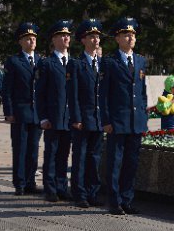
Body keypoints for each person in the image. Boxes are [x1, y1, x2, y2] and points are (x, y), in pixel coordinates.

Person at [100, 17, 148, 215]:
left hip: (135, 123)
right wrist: (106, 120)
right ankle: (114, 201)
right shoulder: (109, 62)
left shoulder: (140, 60)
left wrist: (144, 118)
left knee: (131, 163)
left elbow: (142, 93)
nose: (131, 38)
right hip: (117, 122)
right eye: (126, 34)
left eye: (133, 34)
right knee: (115, 163)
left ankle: (127, 200)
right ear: (117, 38)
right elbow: (102, 95)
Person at [1, 22, 43, 196]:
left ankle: (30, 181)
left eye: (33, 38)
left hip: (37, 113)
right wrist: (9, 112)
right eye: (27, 38)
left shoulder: (41, 60)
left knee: (33, 149)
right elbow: (7, 89)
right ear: (21, 41)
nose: (31, 41)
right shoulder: (14, 61)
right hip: (19, 112)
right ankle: (19, 183)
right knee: (20, 149)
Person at [68, 19, 105, 208]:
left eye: (97, 37)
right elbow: (72, 95)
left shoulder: (103, 64)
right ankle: (79, 193)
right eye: (91, 36)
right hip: (82, 119)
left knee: (94, 158)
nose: (96, 40)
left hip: (98, 120)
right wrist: (75, 118)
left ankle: (92, 192)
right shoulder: (76, 64)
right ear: (83, 40)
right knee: (80, 157)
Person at [36, 20, 74, 202]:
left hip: (69, 118)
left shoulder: (74, 63)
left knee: (64, 154)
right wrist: (42, 117)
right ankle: (50, 188)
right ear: (54, 39)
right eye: (62, 35)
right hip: (52, 117)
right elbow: (40, 93)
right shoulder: (47, 63)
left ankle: (61, 186)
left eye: (68, 35)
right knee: (51, 153)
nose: (67, 38)